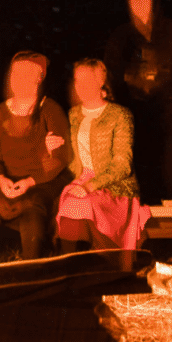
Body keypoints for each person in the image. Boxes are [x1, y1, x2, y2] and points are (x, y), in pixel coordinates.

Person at [0, 53, 72, 263]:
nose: (18, 79)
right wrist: (2, 180)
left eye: (25, 74)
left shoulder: (50, 111)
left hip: (40, 184)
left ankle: (34, 269)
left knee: (34, 212)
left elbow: (59, 160)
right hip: (6, 184)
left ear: (38, 78)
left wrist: (29, 182)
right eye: (15, 73)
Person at [105, 0, 172, 203]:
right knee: (145, 188)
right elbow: (112, 80)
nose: (139, 2)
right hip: (137, 124)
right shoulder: (120, 39)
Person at [55, 58, 145, 252]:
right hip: (82, 181)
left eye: (87, 80)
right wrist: (54, 147)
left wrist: (90, 186)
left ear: (100, 82)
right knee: (71, 205)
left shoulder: (119, 115)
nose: (80, 86)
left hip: (115, 187)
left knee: (83, 204)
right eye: (77, 80)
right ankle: (70, 266)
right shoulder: (73, 114)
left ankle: (106, 264)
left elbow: (123, 165)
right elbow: (72, 160)